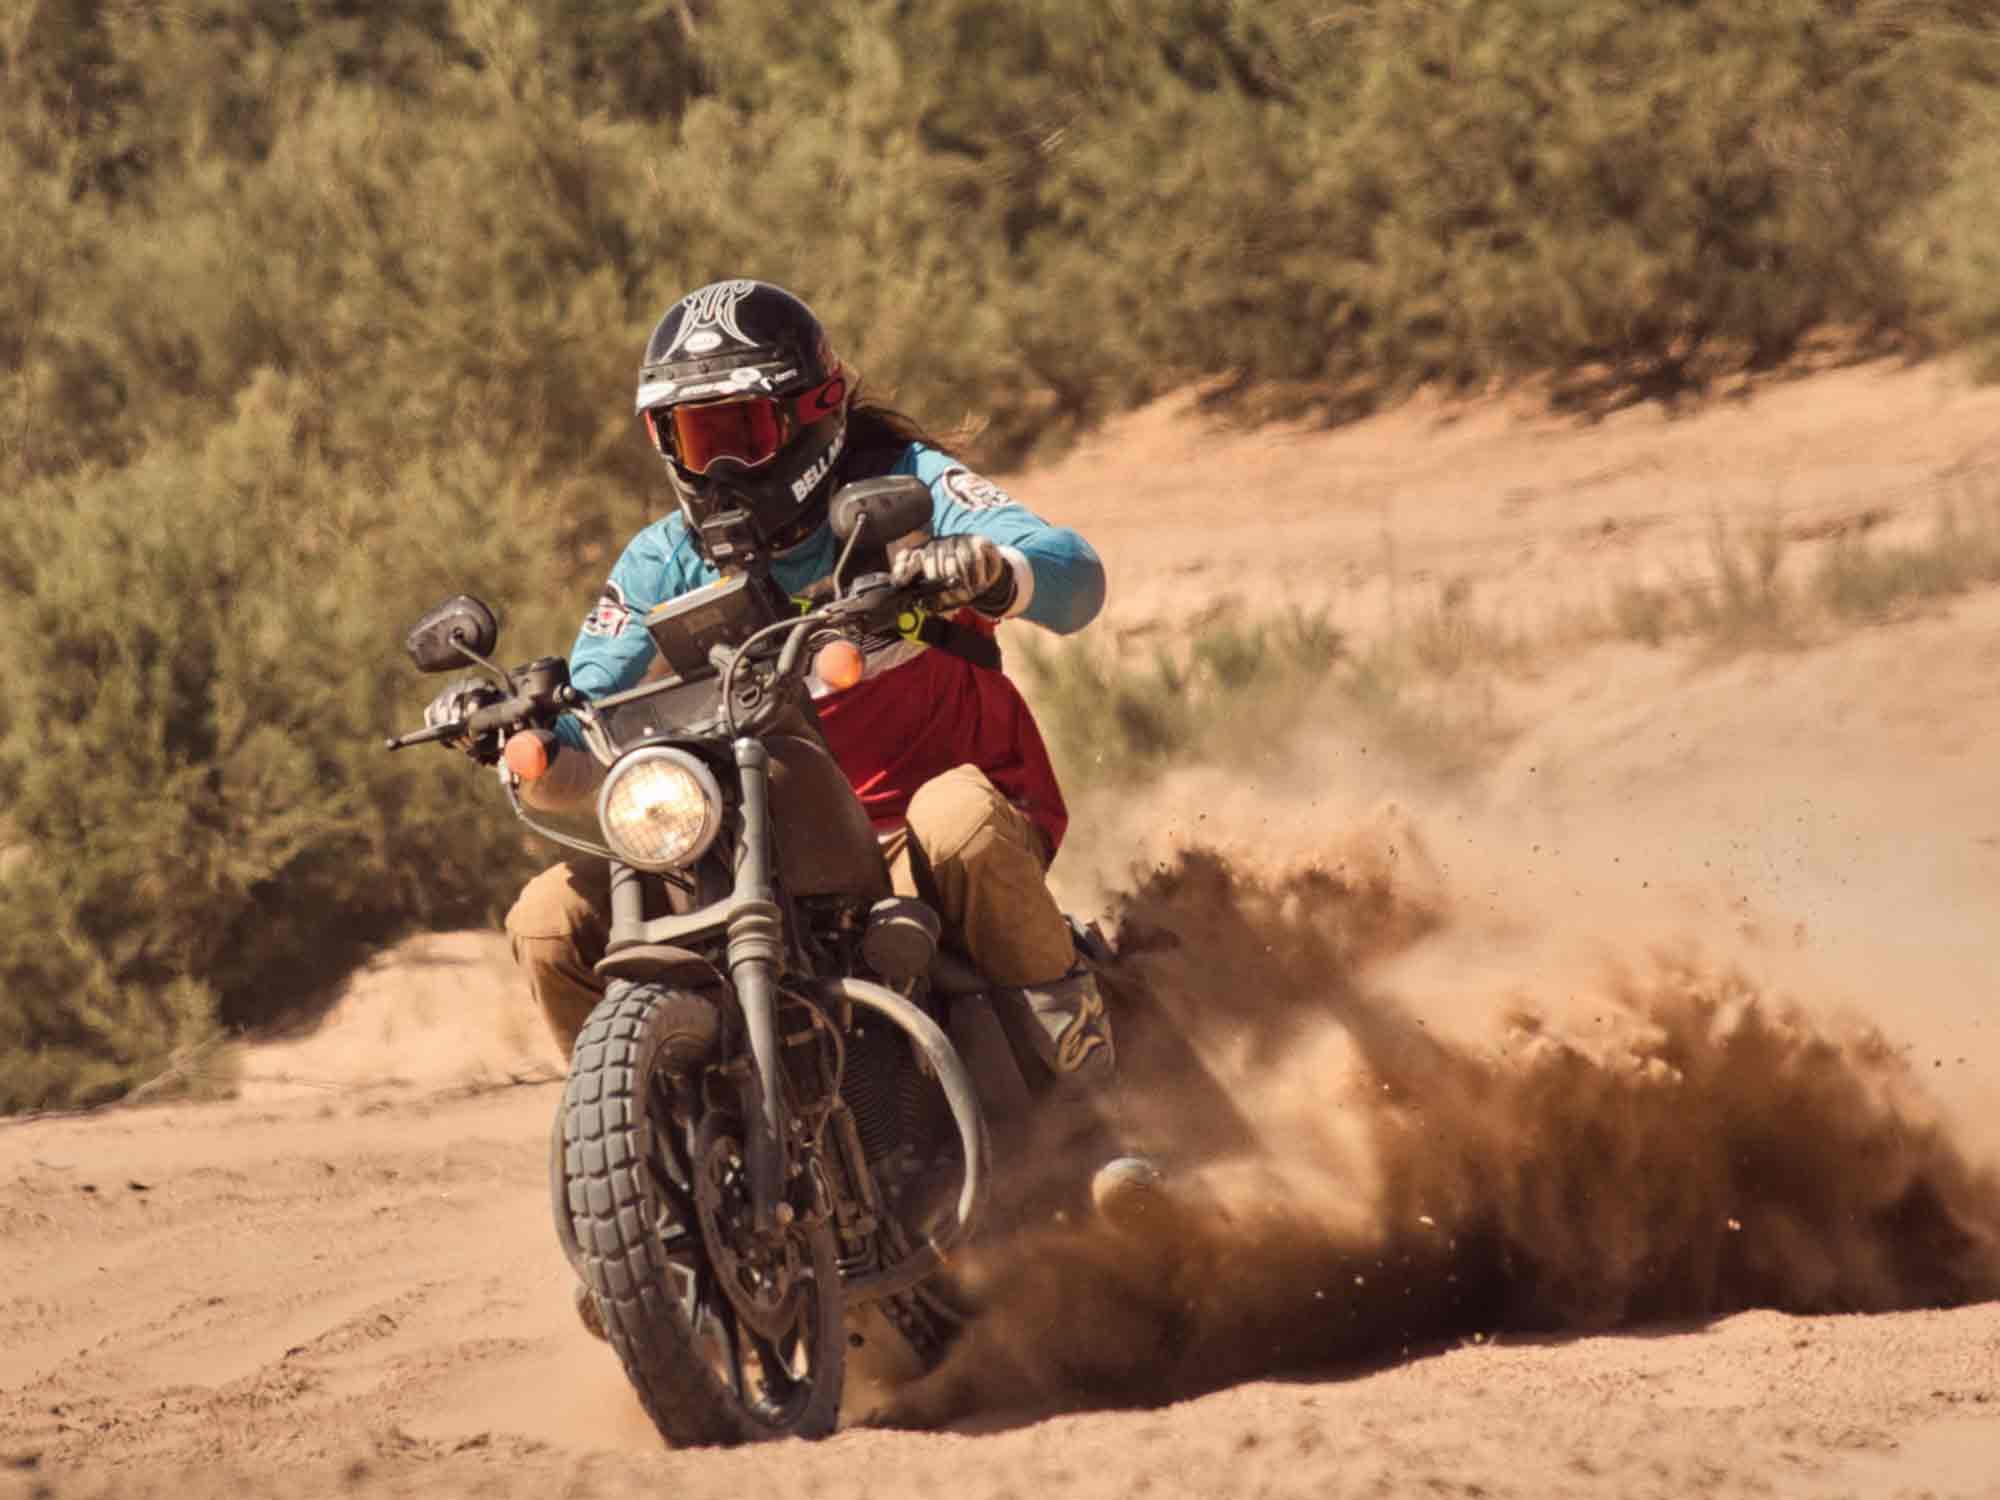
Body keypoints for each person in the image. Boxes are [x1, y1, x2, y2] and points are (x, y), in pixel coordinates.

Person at [428, 279, 1156, 1220]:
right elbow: (588, 716)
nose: (721, 466)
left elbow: (1078, 579)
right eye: (696, 439)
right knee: (544, 922)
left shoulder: (910, 486)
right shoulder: (662, 558)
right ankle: (646, 1196)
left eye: (743, 432)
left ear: (813, 414)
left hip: (921, 831)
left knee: (960, 819)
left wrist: (988, 566)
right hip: (749, 850)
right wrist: (517, 730)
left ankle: (1097, 1127)